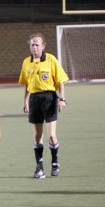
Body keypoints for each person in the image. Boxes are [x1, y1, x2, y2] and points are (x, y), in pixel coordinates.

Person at [19, 33, 68, 178]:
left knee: (51, 136)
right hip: (34, 99)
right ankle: (39, 168)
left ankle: (55, 162)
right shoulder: (26, 62)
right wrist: (25, 101)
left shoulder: (51, 59)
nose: (34, 47)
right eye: (32, 45)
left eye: (37, 45)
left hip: (49, 98)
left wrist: (62, 99)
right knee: (37, 136)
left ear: (43, 46)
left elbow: (60, 82)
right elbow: (27, 84)